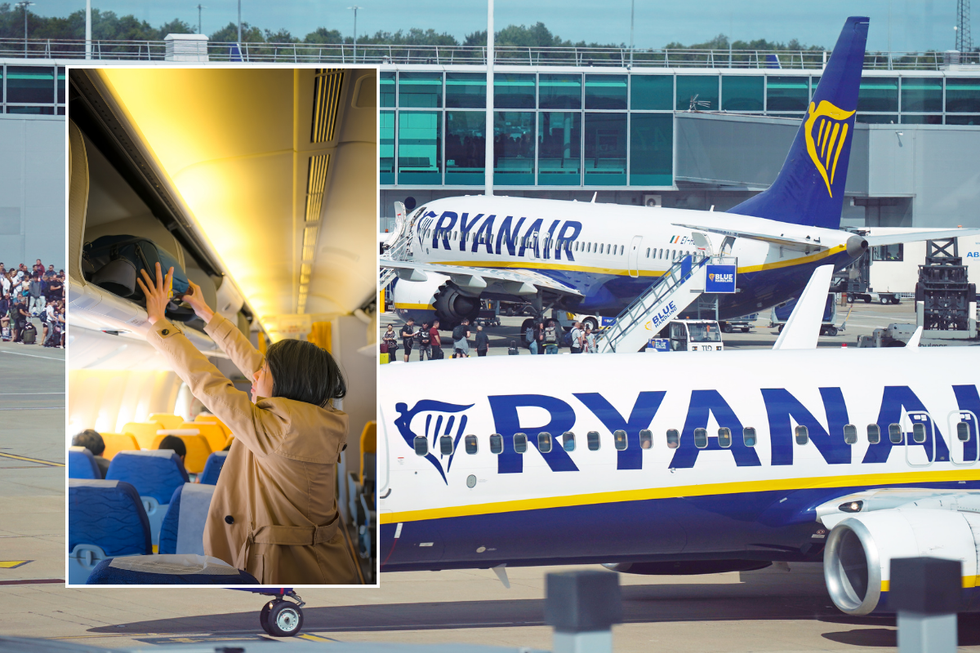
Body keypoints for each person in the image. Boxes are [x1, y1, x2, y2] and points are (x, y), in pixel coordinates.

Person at [136, 262, 358, 585]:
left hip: (285, 566)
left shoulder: (273, 431)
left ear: (285, 385)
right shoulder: (312, 418)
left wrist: (159, 323)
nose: (255, 374)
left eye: (265, 371)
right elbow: (254, 361)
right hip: (328, 562)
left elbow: (207, 383)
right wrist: (205, 314)